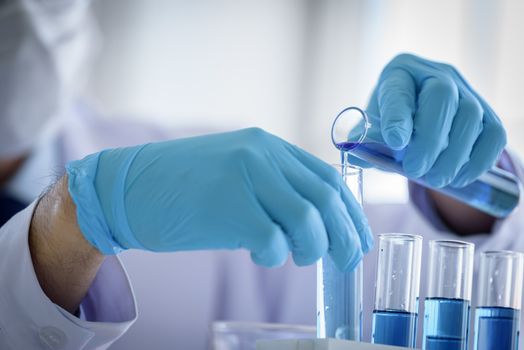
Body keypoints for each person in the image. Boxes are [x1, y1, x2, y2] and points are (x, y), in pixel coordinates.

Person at [0, 1, 523, 349]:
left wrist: (467, 193)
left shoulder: (177, 165)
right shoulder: (128, 187)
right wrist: (68, 221)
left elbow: (384, 274)